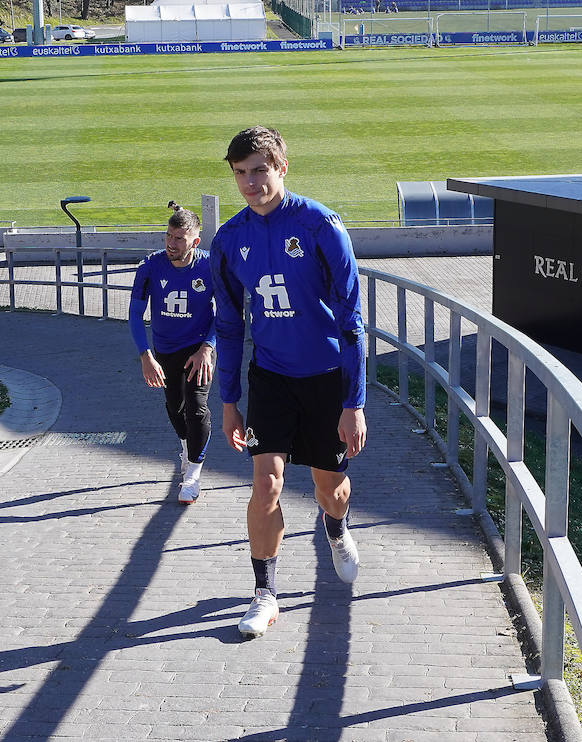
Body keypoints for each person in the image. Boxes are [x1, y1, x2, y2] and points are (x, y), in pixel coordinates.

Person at [209, 126, 367, 639]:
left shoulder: (321, 226)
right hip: (271, 378)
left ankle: (337, 529)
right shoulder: (230, 240)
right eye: (240, 173)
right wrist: (229, 400)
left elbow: (352, 321)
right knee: (266, 483)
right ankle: (265, 593)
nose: (250, 183)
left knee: (330, 491)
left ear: (281, 168)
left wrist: (354, 402)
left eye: (259, 170)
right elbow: (230, 326)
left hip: (325, 380)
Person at [129, 205, 216, 504]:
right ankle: (186, 444)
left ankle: (192, 474)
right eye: (168, 235)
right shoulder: (150, 267)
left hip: (199, 349)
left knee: (196, 406)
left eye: (179, 238)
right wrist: (145, 355)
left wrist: (208, 347)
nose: (171, 243)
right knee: (174, 407)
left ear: (195, 241)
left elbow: (228, 313)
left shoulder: (210, 267)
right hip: (164, 350)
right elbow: (134, 314)